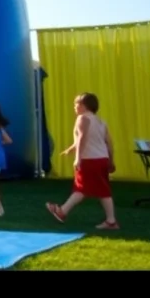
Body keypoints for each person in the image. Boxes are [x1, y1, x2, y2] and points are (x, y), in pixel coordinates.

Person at [46, 93, 119, 230]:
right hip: (101, 159)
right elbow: (108, 143)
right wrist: (111, 160)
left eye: (76, 104)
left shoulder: (82, 118)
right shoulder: (101, 122)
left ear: (83, 106)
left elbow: (82, 139)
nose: (74, 107)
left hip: (89, 160)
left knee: (81, 188)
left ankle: (62, 211)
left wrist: (77, 158)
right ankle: (110, 221)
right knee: (99, 190)